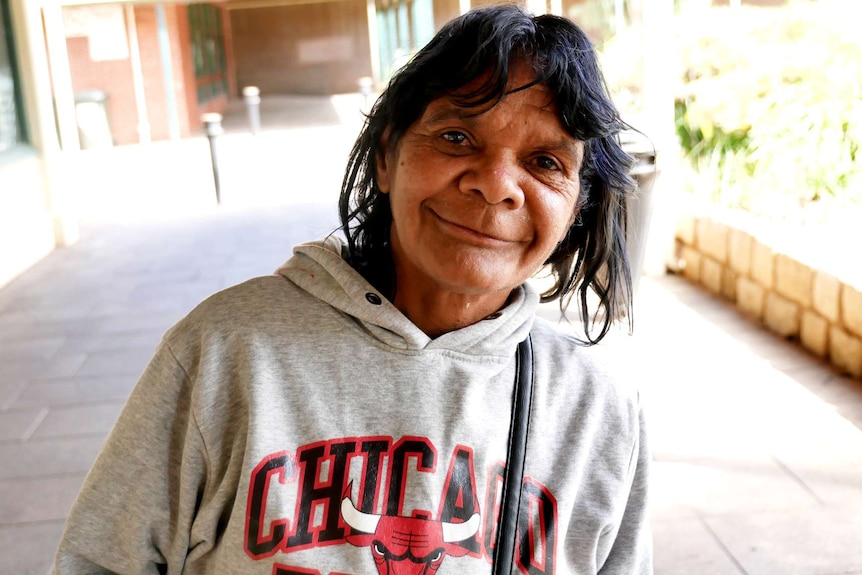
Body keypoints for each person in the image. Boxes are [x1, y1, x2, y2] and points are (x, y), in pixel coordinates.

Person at [53, 4, 651, 574]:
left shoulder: (596, 409)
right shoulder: (225, 353)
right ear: (387, 156)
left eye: (546, 161)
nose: (496, 186)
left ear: (577, 205)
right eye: (456, 138)